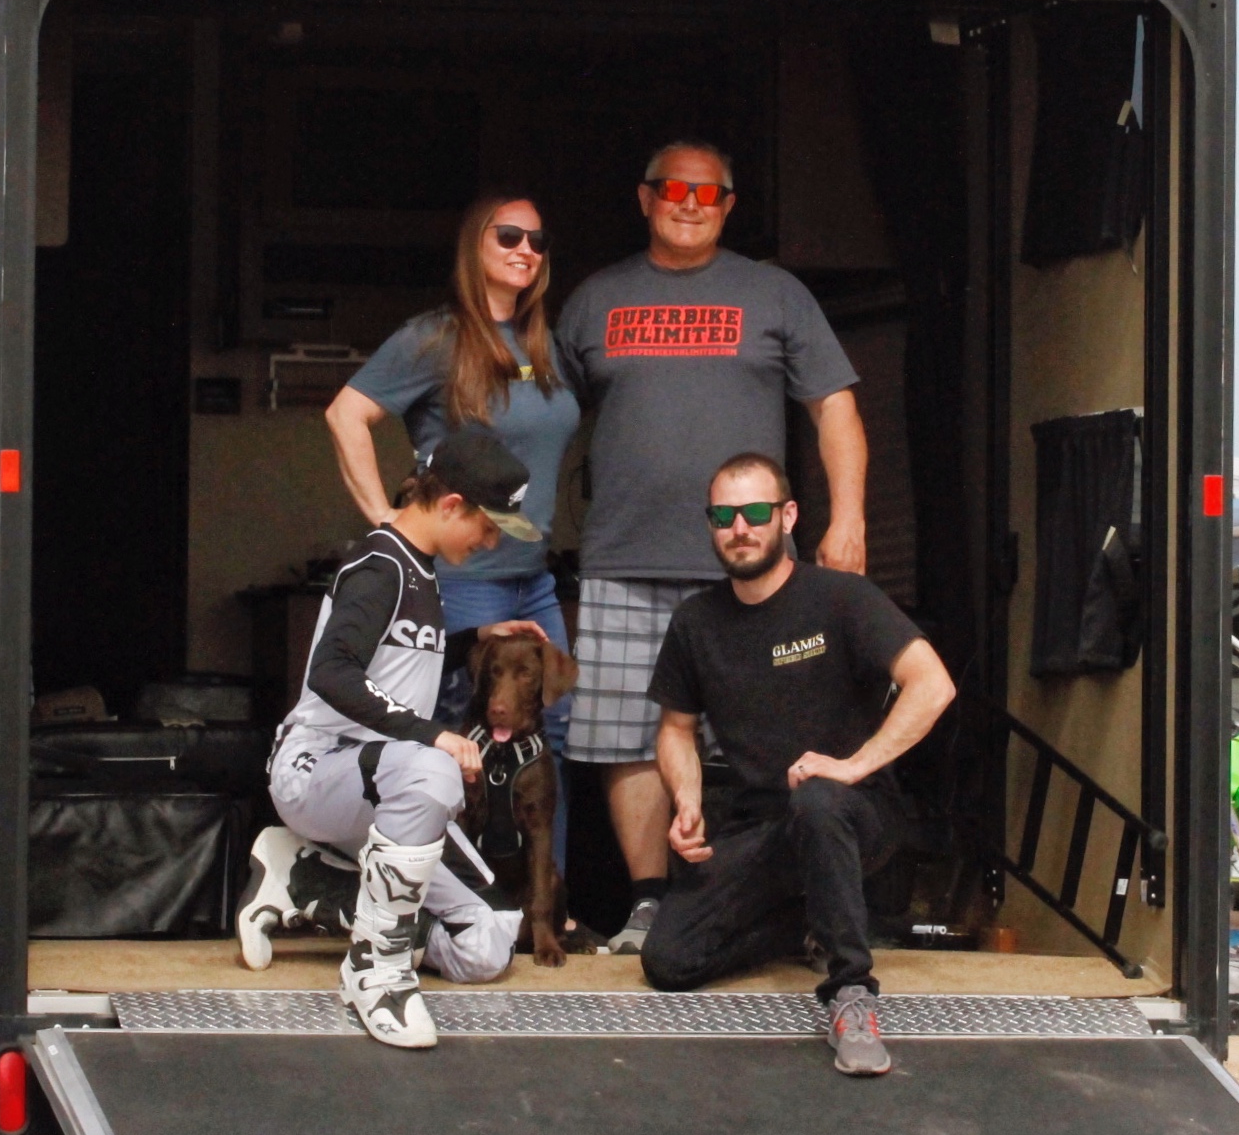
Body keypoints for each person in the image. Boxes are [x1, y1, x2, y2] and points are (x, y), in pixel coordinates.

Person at [554, 143, 868, 955]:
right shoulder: (595, 300)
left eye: (707, 191)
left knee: (769, 744)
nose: (689, 202)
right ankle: (653, 902)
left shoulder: (774, 294)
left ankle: (783, 904)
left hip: (751, 567)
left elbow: (833, 409)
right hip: (624, 557)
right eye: (672, 188)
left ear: (728, 205)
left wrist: (848, 518)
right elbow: (541, 416)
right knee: (631, 739)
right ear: (644, 197)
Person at [638, 453, 954, 1077]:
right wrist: (688, 798)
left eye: (756, 513)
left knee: (816, 797)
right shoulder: (695, 622)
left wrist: (855, 765)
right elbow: (675, 731)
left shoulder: (841, 597)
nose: (740, 528)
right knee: (668, 962)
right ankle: (805, 922)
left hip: (855, 813)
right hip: (765, 825)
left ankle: (850, 992)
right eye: (723, 516)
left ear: (787, 516)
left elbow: (932, 684)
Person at [235, 429, 551, 1050]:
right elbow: (331, 671)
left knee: (491, 937)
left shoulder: (421, 570)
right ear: (452, 504)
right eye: (487, 526)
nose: (489, 542)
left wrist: (473, 640)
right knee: (434, 770)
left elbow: (392, 663)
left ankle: (316, 883)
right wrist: (431, 735)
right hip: (315, 770)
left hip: (381, 785)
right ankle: (375, 969)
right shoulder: (381, 565)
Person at [326, 192, 581, 852]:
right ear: (476, 245)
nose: (526, 249)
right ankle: (452, 900)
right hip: (462, 581)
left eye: (538, 240)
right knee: (454, 742)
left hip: (534, 580)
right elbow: (345, 414)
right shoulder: (434, 337)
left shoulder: (542, 342)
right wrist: (389, 524)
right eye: (509, 236)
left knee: (548, 737)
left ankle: (542, 912)